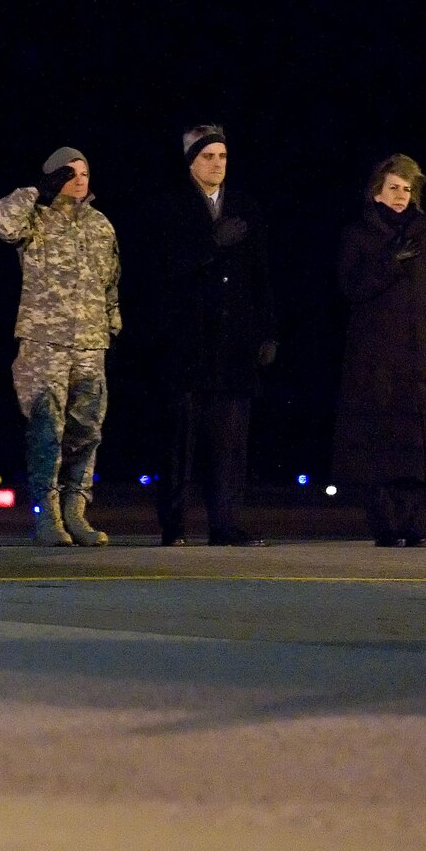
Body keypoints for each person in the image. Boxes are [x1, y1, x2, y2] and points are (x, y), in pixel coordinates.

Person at [0, 148, 120, 547]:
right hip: (44, 344)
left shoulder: (100, 224)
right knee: (47, 430)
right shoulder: (35, 218)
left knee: (86, 430)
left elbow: (110, 282)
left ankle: (76, 511)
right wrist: (36, 191)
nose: (78, 179)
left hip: (90, 343)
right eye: (68, 173)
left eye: (84, 172)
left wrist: (110, 326)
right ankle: (47, 515)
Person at [155, 124, 279, 546]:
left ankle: (225, 523)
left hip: (234, 344)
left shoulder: (244, 206)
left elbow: (262, 274)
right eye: (208, 156)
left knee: (230, 442)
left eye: (222, 156)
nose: (217, 164)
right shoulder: (172, 207)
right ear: (191, 161)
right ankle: (174, 525)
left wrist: (267, 331)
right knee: (181, 440)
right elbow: (163, 269)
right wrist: (210, 244)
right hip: (187, 342)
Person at [331, 155, 426, 546]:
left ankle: (410, 523)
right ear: (377, 192)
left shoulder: (423, 234)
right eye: (394, 188)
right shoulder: (358, 233)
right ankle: (384, 525)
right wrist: (389, 262)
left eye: (407, 189)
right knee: (378, 440)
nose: (401, 196)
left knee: (416, 443)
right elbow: (351, 287)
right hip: (374, 356)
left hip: (417, 355)